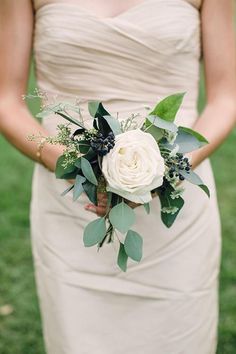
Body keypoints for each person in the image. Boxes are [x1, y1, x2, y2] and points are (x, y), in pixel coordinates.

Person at [0, 0, 235, 353]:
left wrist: (165, 169)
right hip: (71, 209)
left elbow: (226, 97)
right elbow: (6, 100)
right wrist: (72, 164)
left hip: (175, 212)